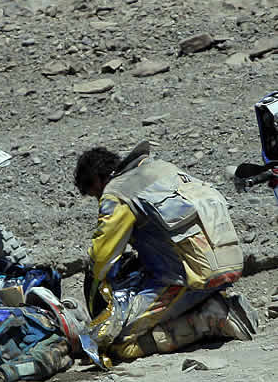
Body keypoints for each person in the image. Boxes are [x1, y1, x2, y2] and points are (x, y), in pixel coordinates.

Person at [73, 142, 257, 364]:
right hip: (225, 264)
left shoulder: (117, 192)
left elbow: (103, 258)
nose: (98, 199)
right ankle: (213, 303)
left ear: (98, 180)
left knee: (116, 340)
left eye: (95, 194)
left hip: (183, 278)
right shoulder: (161, 169)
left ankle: (213, 317)